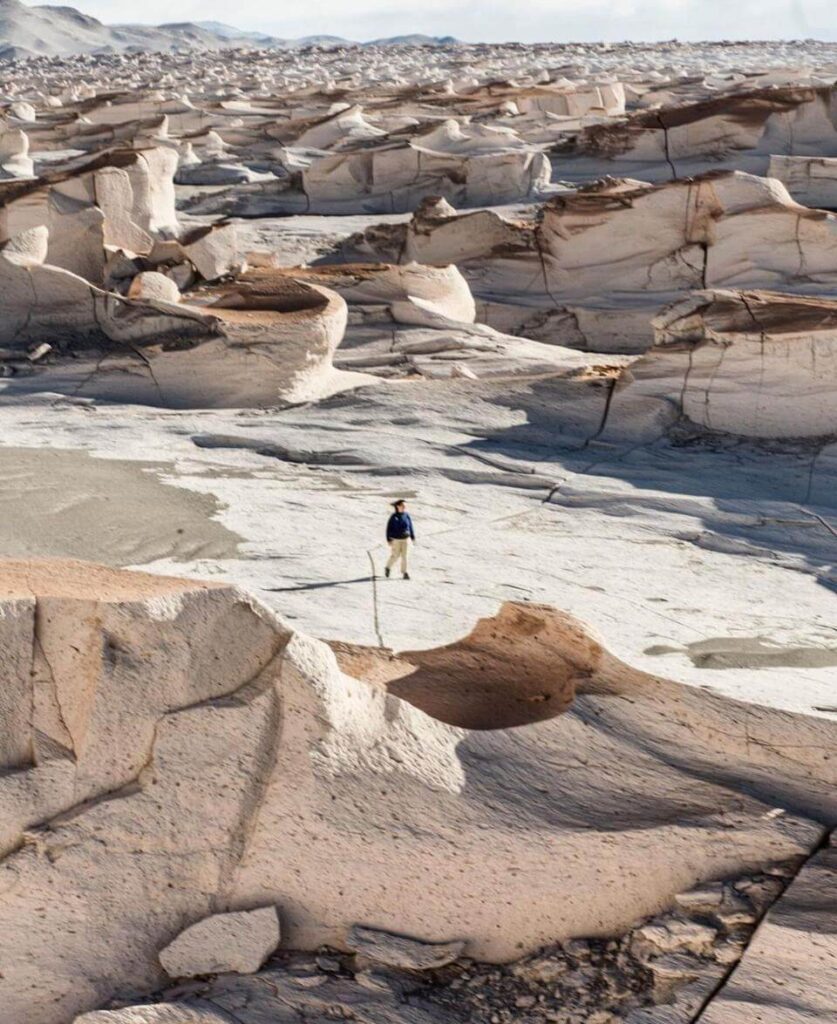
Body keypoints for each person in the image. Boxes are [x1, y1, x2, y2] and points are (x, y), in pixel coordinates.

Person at [384, 499, 415, 579]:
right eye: (402, 505)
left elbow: (410, 526)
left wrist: (412, 536)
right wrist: (388, 539)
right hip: (396, 540)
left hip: (406, 539)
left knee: (405, 556)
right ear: (397, 507)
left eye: (404, 505)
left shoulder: (406, 515)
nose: (404, 507)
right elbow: (388, 528)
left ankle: (404, 573)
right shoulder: (393, 517)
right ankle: (388, 567)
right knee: (395, 555)